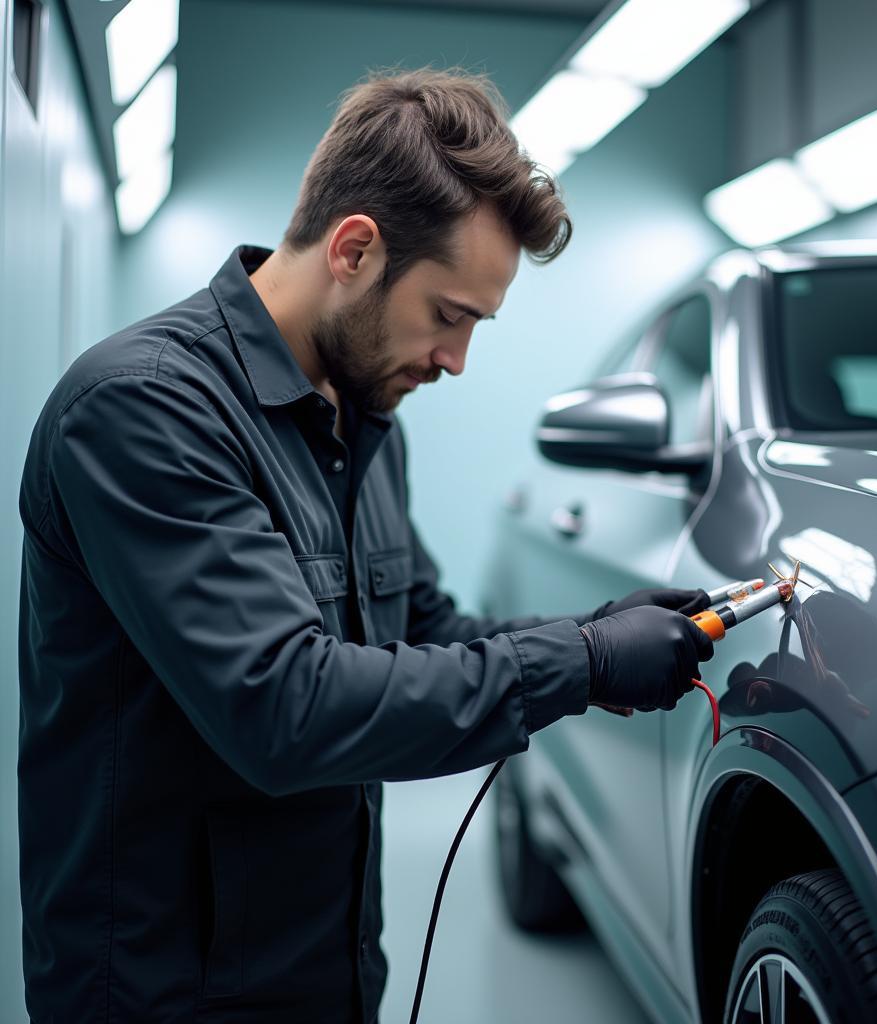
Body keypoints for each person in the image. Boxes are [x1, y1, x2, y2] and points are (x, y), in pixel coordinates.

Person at [17, 67, 714, 1023]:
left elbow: (421, 630)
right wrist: (584, 664)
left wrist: (591, 626)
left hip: (327, 966)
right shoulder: (143, 409)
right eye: (449, 314)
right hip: (165, 990)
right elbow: (285, 710)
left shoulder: (364, 419)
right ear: (354, 249)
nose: (456, 361)